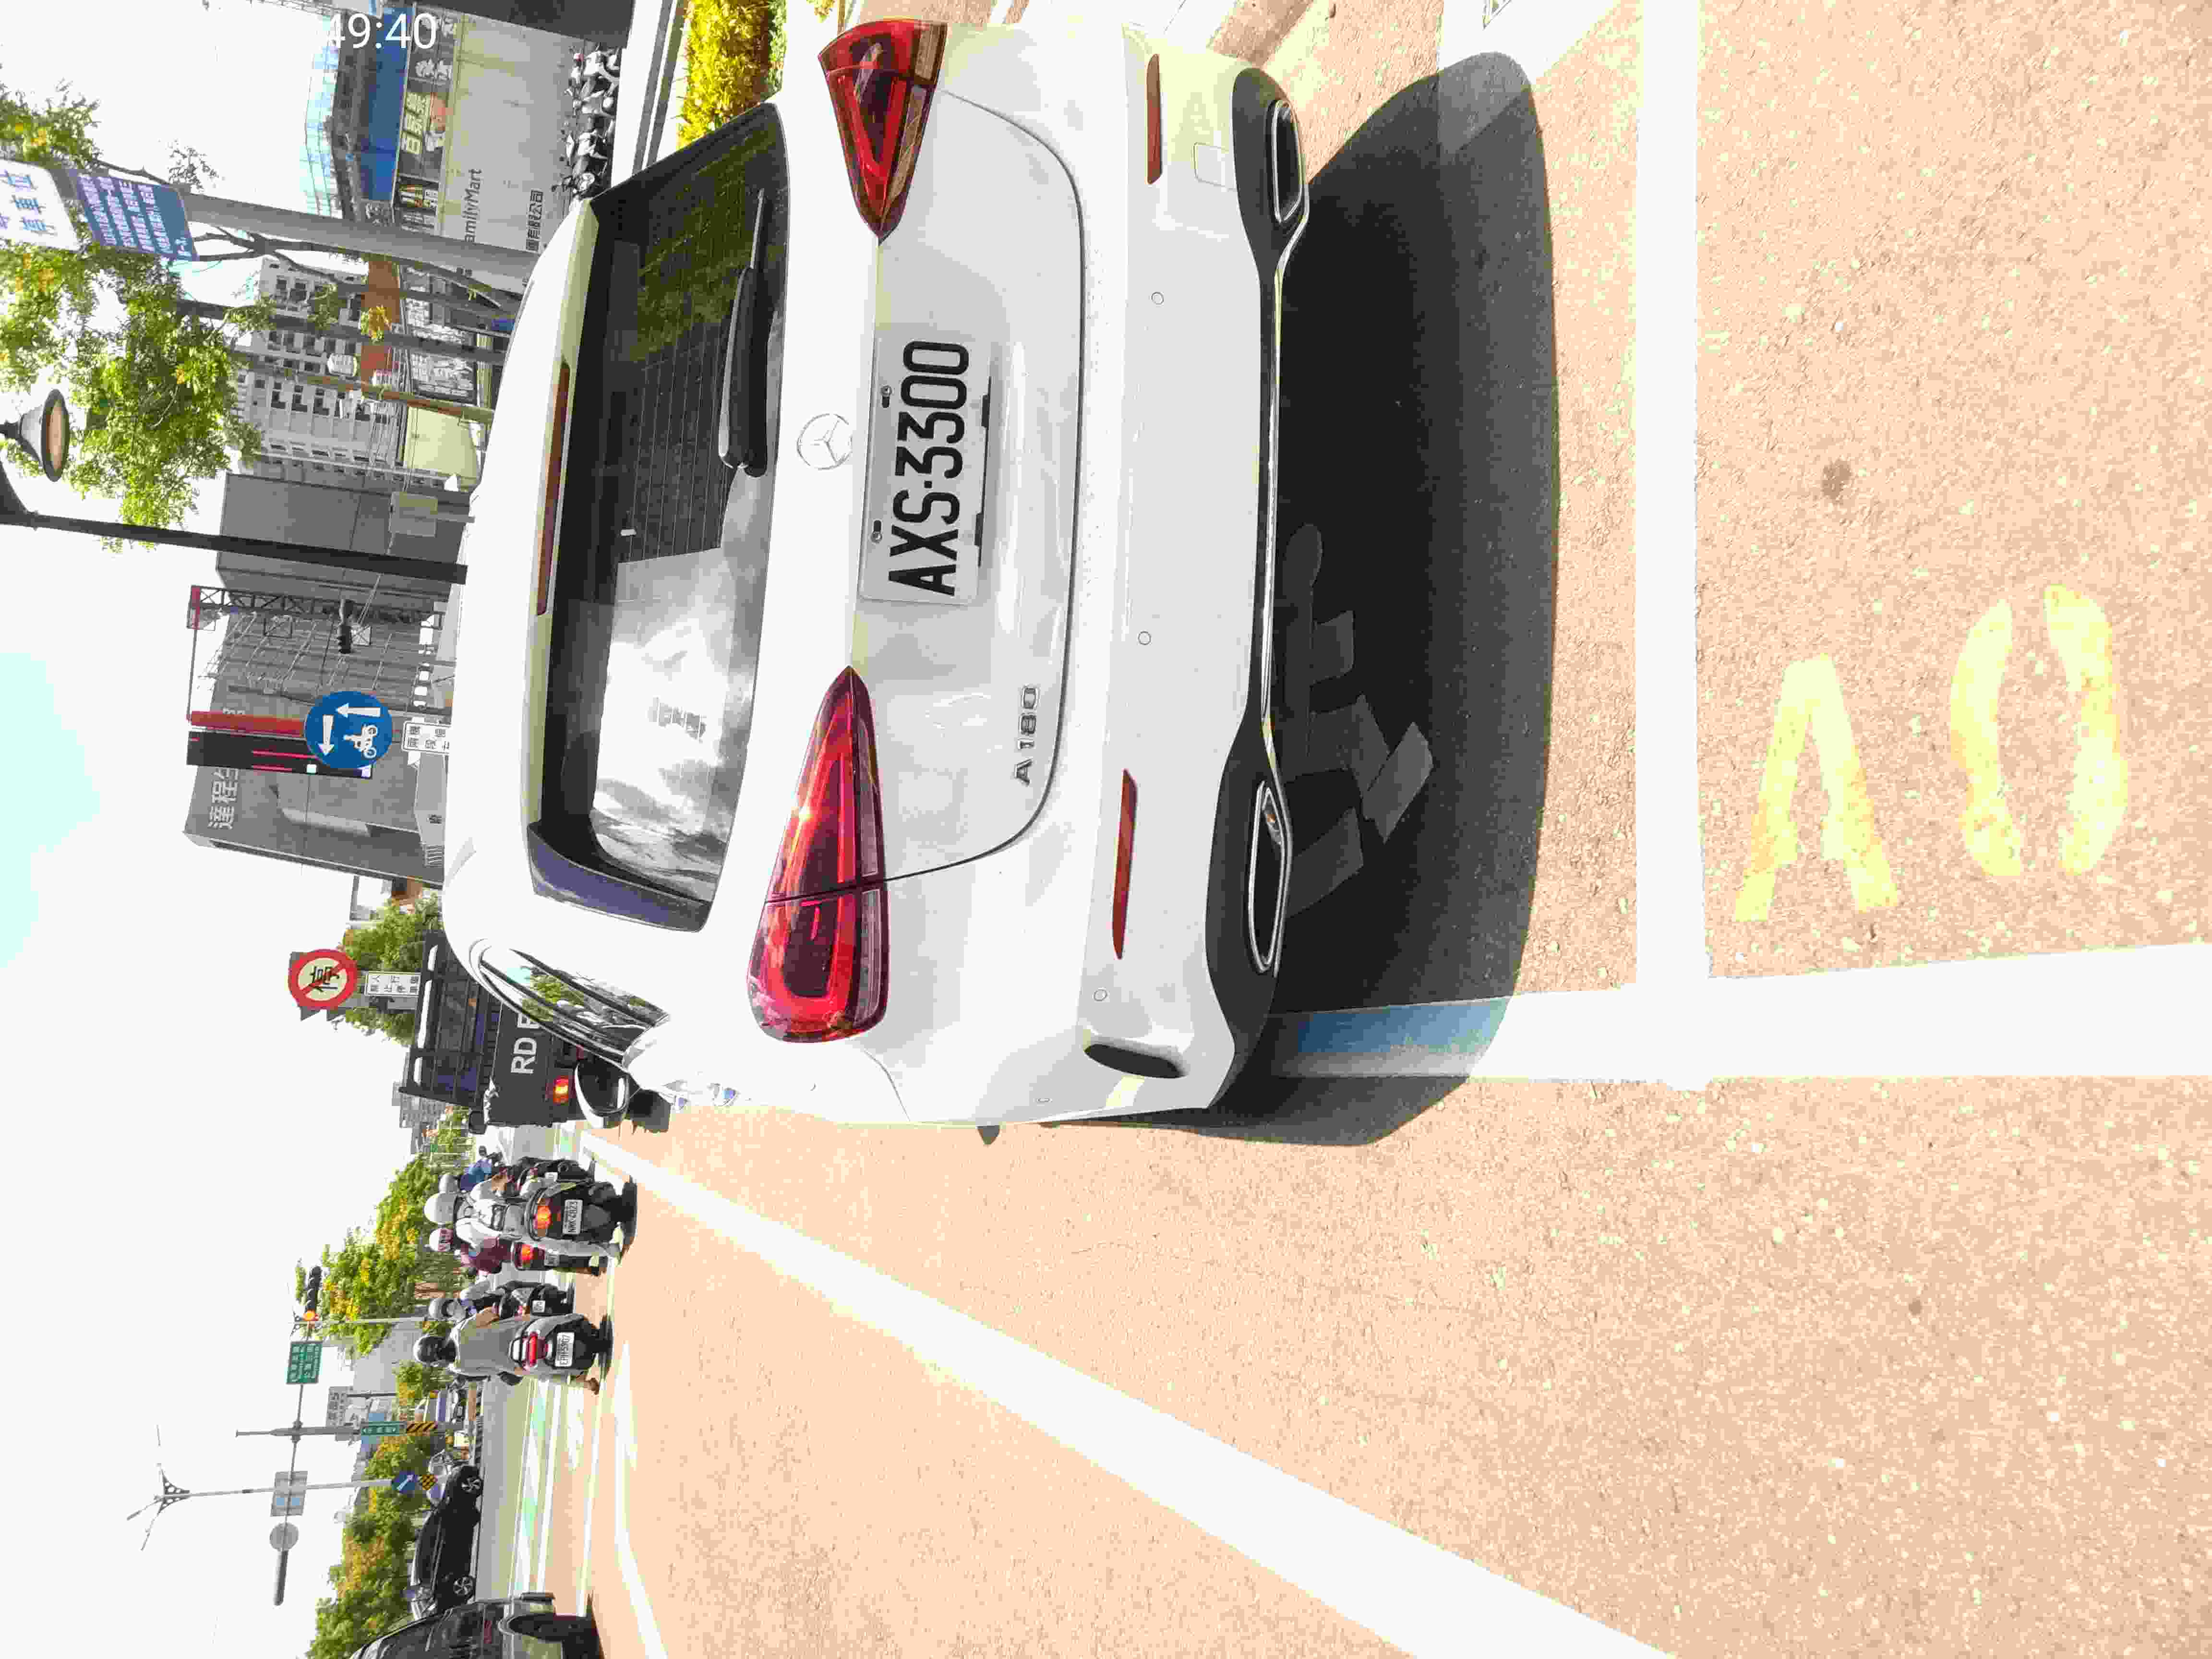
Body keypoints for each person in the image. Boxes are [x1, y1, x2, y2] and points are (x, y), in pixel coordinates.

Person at [416, 1310, 599, 1394]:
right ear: (436, 1338)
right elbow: (489, 1315)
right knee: (553, 1319)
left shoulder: (458, 1367)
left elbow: (491, 1371)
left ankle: (584, 1385)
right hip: (523, 1329)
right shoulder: (459, 1331)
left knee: (545, 1377)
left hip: (518, 1364)